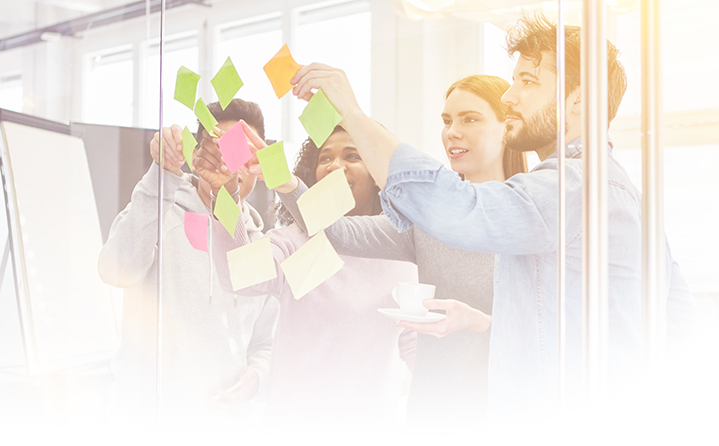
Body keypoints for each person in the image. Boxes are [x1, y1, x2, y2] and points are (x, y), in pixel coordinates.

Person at [287, 15, 697, 417]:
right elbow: (676, 318)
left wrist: (354, 116)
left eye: (529, 81)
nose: (510, 96)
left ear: (579, 100)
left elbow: (462, 209)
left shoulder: (574, 187)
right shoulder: (618, 192)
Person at [272, 75, 526, 426]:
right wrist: (284, 180)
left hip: (500, 412)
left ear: (508, 127)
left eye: (470, 118)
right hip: (430, 416)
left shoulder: (529, 217)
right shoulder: (428, 220)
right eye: (447, 121)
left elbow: (554, 336)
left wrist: (482, 323)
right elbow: (339, 231)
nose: (452, 131)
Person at [198, 123, 417, 429]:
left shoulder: (403, 253)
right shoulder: (295, 241)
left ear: (380, 174)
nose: (334, 166)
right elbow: (238, 276)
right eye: (324, 158)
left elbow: (417, 349)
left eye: (352, 156)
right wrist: (226, 193)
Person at [97, 99, 280, 429]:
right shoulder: (160, 209)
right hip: (147, 423)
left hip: (224, 426)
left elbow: (264, 344)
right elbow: (115, 270)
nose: (228, 161)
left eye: (242, 150)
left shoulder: (263, 247)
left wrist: (256, 380)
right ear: (198, 156)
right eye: (219, 148)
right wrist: (162, 175)